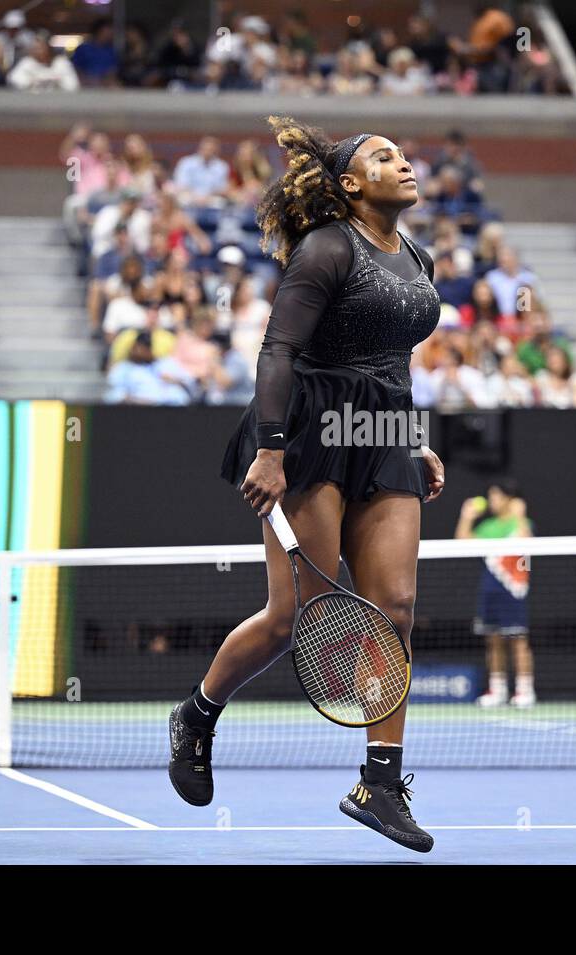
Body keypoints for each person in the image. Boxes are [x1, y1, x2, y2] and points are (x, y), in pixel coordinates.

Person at [169, 117, 445, 853]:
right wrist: (269, 450)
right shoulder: (327, 248)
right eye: (385, 155)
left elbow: (395, 357)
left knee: (396, 605)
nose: (404, 160)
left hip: (383, 432)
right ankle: (198, 712)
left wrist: (413, 439)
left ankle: (379, 784)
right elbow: (277, 350)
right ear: (352, 184)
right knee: (299, 616)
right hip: (312, 428)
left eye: (403, 150)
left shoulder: (415, 255)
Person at [456, 480, 535, 708]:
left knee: (519, 641)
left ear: (509, 499)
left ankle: (524, 690)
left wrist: (520, 515)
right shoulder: (488, 527)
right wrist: (467, 517)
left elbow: (527, 542)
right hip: (489, 593)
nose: (492, 501)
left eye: (496, 497)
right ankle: (498, 690)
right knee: (494, 642)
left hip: (513, 591)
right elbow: (462, 543)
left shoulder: (522, 524)